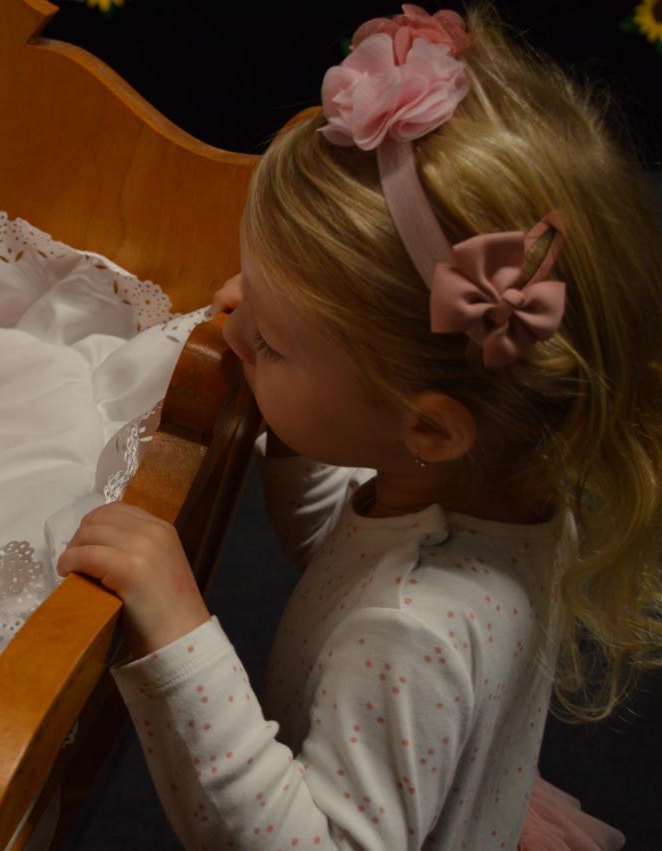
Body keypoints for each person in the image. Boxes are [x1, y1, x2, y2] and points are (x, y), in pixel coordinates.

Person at [59, 5, 659, 849]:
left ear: (430, 428)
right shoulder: (505, 478)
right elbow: (346, 554)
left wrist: (181, 637)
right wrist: (286, 403)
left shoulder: (413, 635)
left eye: (269, 339)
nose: (233, 328)